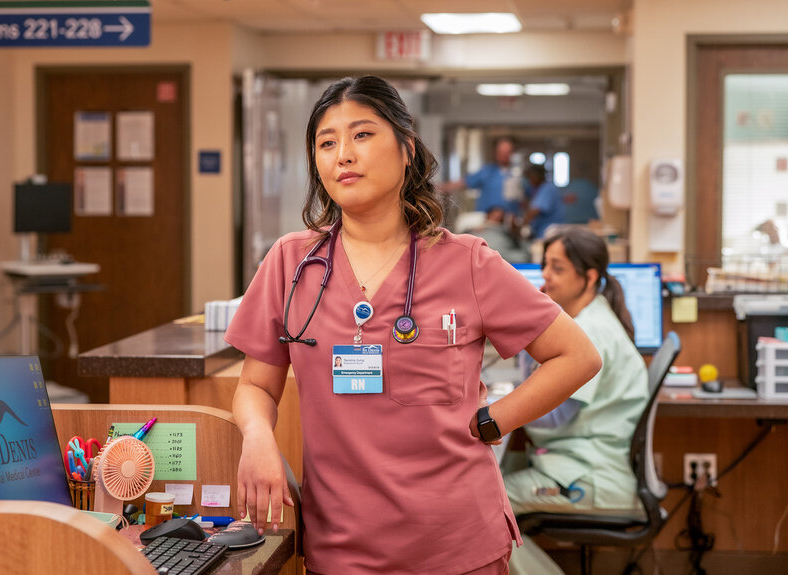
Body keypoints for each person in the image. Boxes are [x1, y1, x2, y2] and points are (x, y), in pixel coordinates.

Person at [224, 75, 601, 575]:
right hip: (343, 547)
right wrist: (256, 437)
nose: (343, 155)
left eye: (362, 135)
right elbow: (256, 385)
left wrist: (495, 420)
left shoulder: (467, 262)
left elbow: (577, 356)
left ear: (406, 149)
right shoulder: (292, 263)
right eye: (326, 142)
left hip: (458, 544)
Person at [504, 228, 649, 575]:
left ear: (589, 277)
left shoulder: (591, 331)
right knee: (486, 478)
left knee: (485, 506)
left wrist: (494, 409)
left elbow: (552, 417)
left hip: (592, 477)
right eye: (545, 266)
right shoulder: (589, 319)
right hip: (578, 461)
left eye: (557, 268)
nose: (546, 277)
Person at [521, 163, 564, 240]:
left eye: (530, 177)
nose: (529, 180)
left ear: (537, 176)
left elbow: (534, 211)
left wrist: (521, 226)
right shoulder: (535, 189)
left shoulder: (548, 189)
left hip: (549, 233)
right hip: (541, 231)